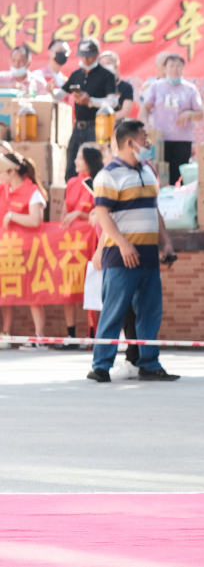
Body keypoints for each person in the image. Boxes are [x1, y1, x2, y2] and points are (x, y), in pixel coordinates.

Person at [86, 120, 178, 383]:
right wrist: (124, 244)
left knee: (150, 313)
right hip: (120, 257)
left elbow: (154, 209)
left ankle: (149, 363)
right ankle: (101, 365)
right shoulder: (109, 174)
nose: (148, 144)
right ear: (130, 143)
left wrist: (166, 241)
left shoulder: (149, 171)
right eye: (144, 139)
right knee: (114, 311)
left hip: (148, 256)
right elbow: (102, 215)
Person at [58, 143, 106, 349]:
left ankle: (95, 334)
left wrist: (79, 214)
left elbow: (101, 214)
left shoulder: (98, 183)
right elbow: (64, 213)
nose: (75, 161)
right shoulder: (71, 183)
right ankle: (71, 335)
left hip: (91, 243)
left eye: (79, 158)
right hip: (71, 245)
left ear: (89, 161)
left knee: (93, 287)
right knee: (69, 286)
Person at [1, 151, 48, 348]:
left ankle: (39, 336)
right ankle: (5, 332)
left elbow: (36, 219)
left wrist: (12, 216)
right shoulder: (5, 189)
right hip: (7, 251)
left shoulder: (32, 191)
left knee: (32, 294)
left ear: (11, 171)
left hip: (29, 252)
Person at [138, 54, 202, 186]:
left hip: (182, 140)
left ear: (183, 68)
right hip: (160, 140)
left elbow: (201, 113)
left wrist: (189, 113)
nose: (175, 69)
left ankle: (178, 203)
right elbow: (145, 108)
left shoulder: (190, 89)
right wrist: (146, 126)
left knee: (178, 176)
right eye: (171, 66)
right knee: (159, 174)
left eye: (178, 66)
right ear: (165, 69)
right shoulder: (156, 86)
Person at [62, 37, 119, 183]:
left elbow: (112, 102)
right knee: (72, 165)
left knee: (95, 166)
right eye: (83, 56)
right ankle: (72, 195)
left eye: (89, 56)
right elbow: (59, 95)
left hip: (97, 127)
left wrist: (91, 101)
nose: (86, 59)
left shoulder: (106, 75)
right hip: (78, 126)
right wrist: (50, 91)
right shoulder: (76, 74)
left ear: (96, 55)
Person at [98, 50, 136, 119]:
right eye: (102, 64)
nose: (105, 66)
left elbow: (125, 112)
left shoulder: (126, 87)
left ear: (116, 66)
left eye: (108, 63)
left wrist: (106, 119)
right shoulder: (97, 86)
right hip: (98, 126)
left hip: (119, 126)